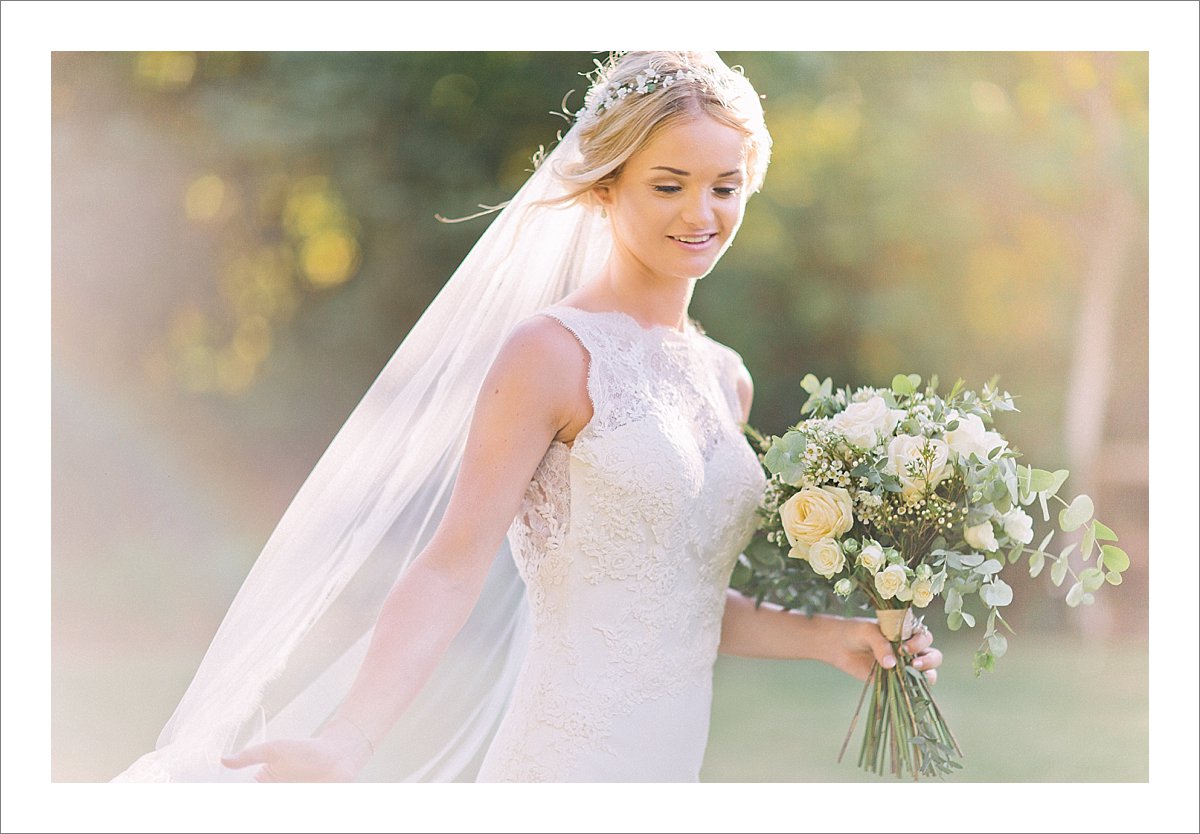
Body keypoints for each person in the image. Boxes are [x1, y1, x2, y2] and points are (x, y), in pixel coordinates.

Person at [114, 50, 941, 784]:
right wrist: (348, 740)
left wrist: (833, 640)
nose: (702, 213)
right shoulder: (550, 353)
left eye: (725, 187)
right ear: (607, 185)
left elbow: (676, 603)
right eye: (669, 185)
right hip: (568, 764)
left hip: (670, 763)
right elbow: (451, 566)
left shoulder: (726, 379)